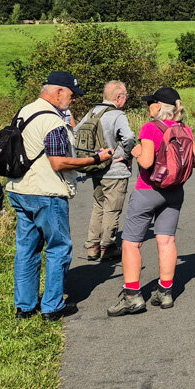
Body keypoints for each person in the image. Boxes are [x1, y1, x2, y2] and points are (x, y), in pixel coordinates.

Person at [6, 72, 112, 320]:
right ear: (58, 92)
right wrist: (95, 159)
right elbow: (58, 162)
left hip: (20, 189)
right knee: (58, 247)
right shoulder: (53, 121)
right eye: (72, 95)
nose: (73, 101)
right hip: (46, 192)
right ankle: (52, 307)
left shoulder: (25, 111)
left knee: (26, 249)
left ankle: (25, 306)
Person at [106, 88, 195, 316]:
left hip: (147, 190)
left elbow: (148, 162)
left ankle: (132, 296)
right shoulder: (184, 129)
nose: (148, 106)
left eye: (151, 102)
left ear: (159, 106)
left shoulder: (150, 128)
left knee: (131, 242)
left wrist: (138, 152)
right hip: (175, 191)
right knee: (167, 240)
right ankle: (165, 292)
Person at [80, 81, 136, 261]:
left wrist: (93, 156)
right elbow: (128, 137)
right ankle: (108, 247)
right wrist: (125, 154)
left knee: (98, 206)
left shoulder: (92, 112)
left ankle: (92, 246)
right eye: (125, 96)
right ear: (118, 98)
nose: (126, 100)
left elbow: (75, 133)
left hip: (96, 167)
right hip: (115, 170)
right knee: (112, 209)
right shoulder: (117, 114)